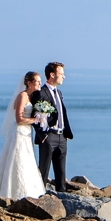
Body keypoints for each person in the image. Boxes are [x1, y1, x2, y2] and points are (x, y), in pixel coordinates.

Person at [0, 71, 46, 200]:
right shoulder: (23, 96)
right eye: (37, 81)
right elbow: (19, 119)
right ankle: (12, 192)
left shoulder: (32, 97)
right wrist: (36, 120)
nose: (40, 83)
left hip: (27, 132)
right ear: (29, 83)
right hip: (19, 131)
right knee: (17, 159)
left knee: (27, 160)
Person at [34, 61, 73, 193]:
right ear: (52, 75)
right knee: (44, 170)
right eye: (61, 73)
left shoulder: (59, 93)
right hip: (48, 136)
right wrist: (41, 135)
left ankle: (62, 199)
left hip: (62, 136)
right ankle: (39, 196)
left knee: (61, 172)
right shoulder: (41, 93)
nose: (64, 76)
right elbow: (36, 116)